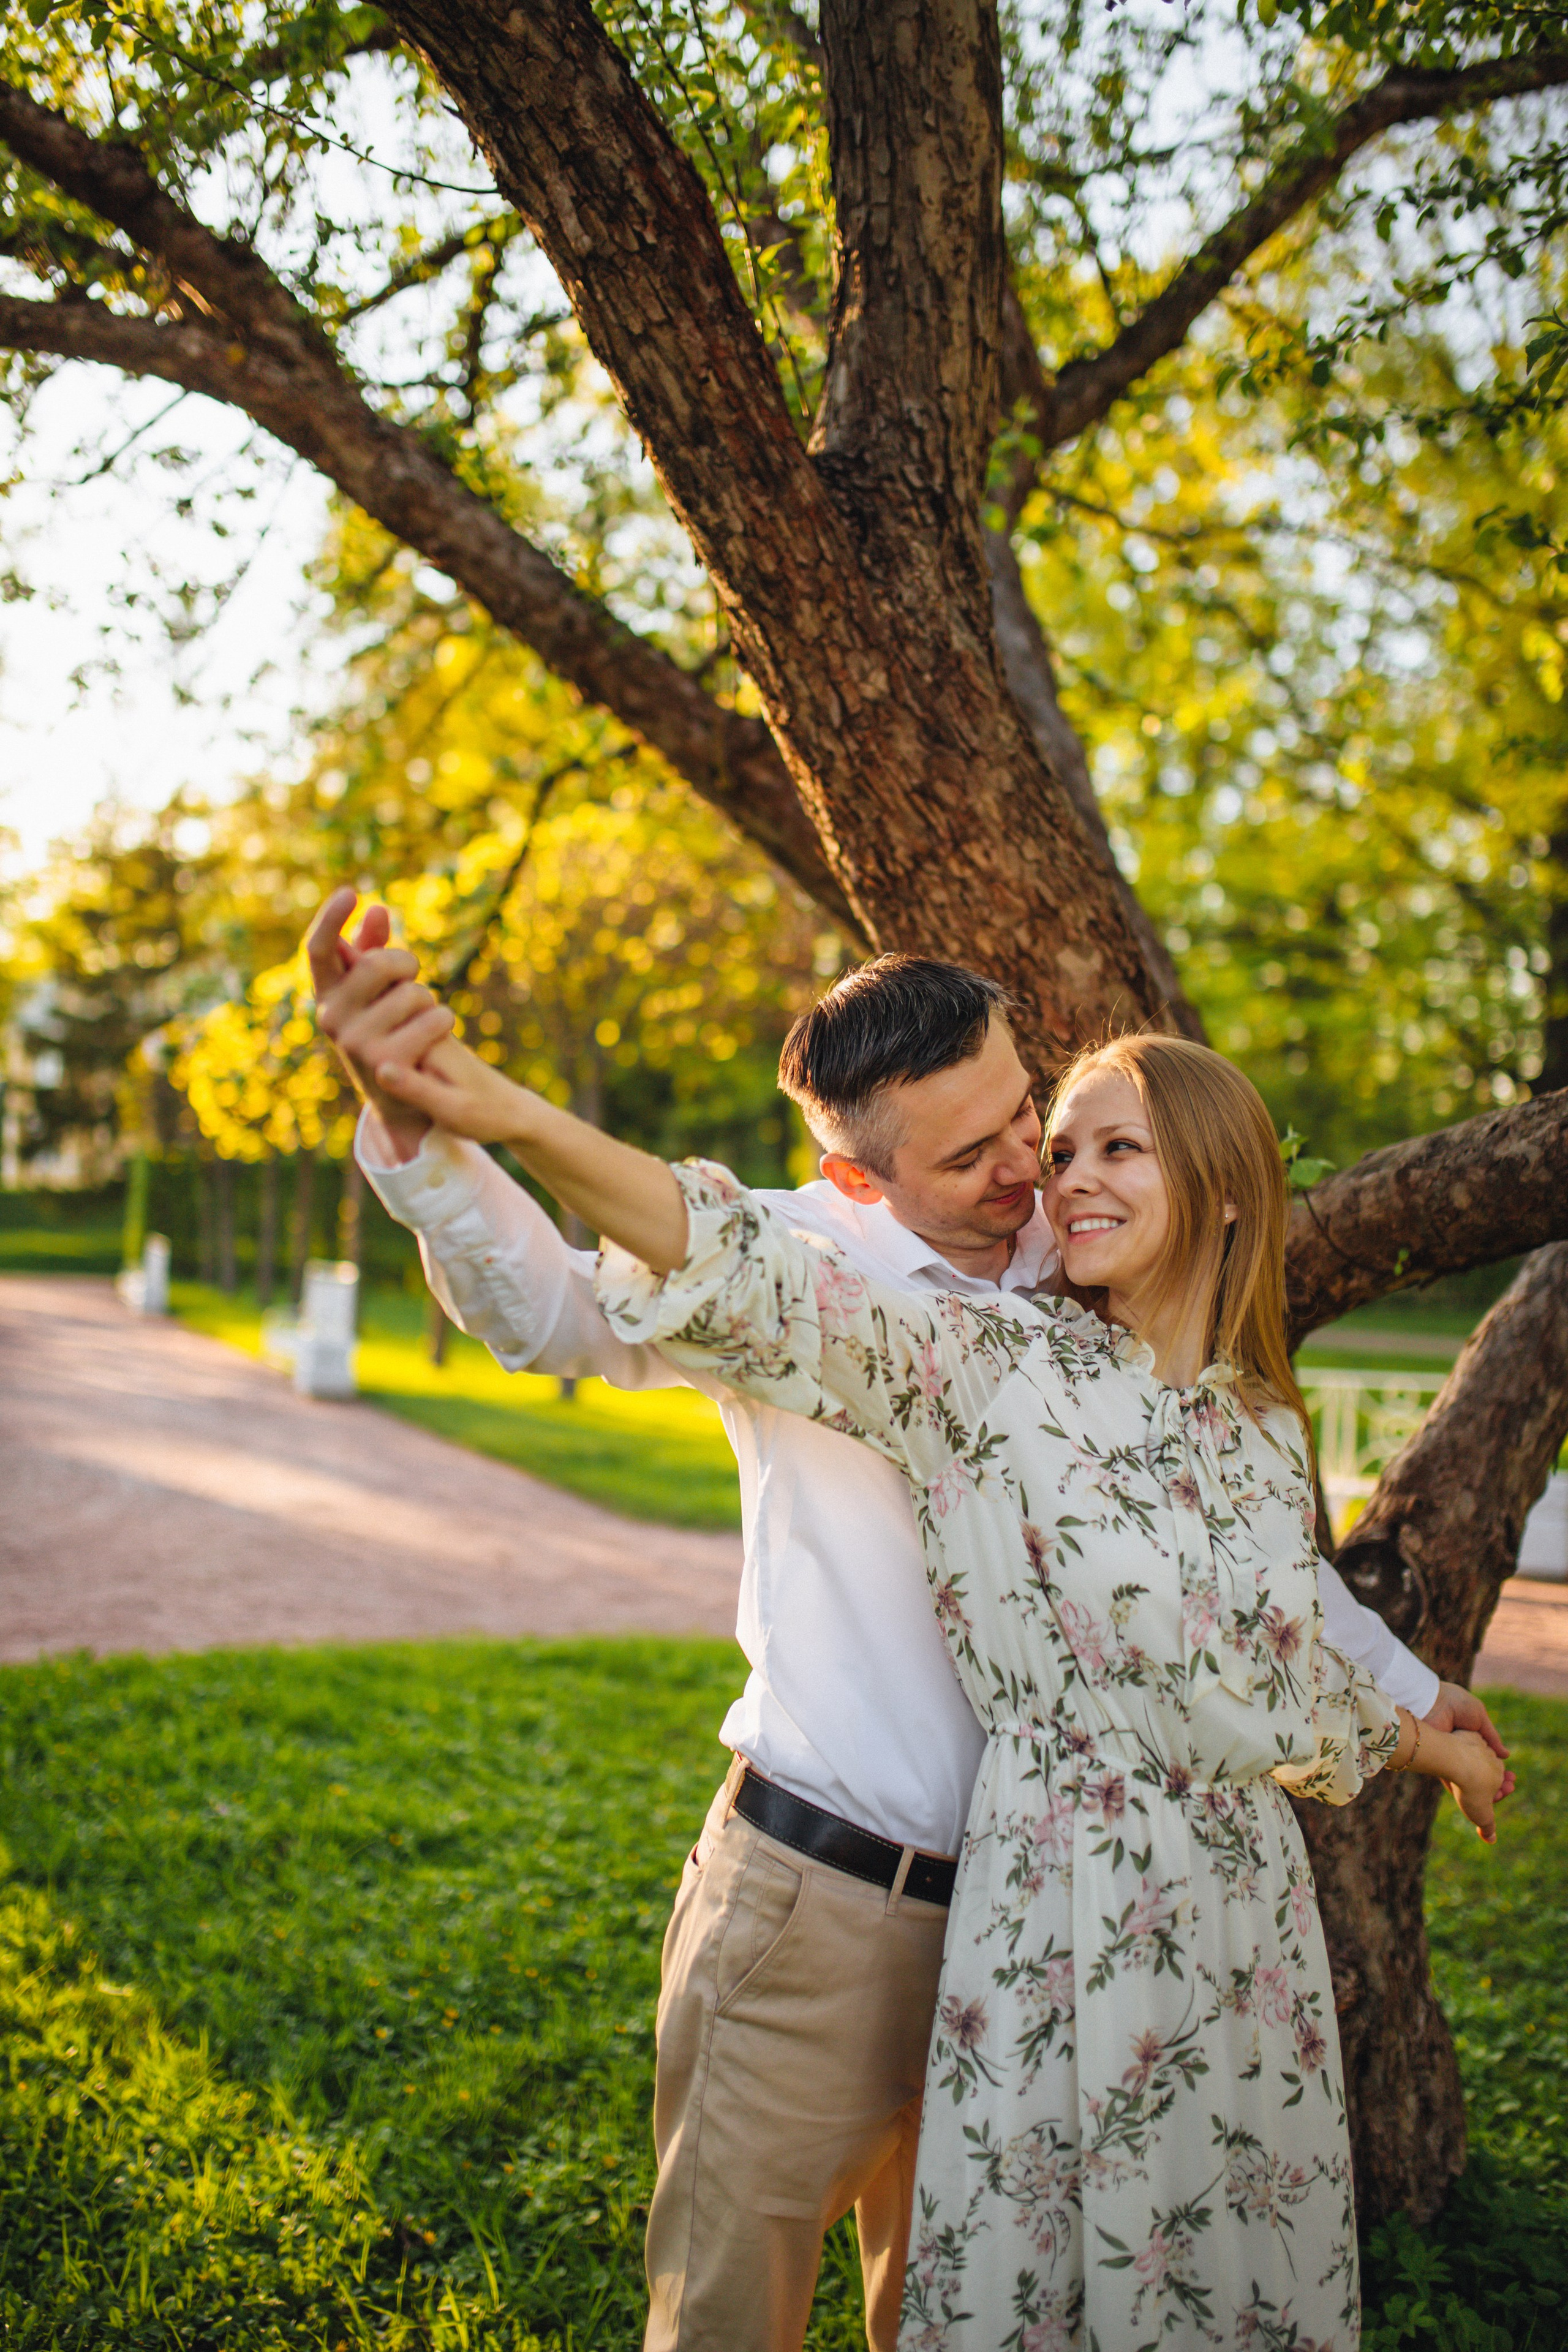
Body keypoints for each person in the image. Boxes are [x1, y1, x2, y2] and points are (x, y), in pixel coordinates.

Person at [307, 892, 1506, 2352]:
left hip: (1058, 1929)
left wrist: (1405, 1685)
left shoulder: (1098, 1284)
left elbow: (1223, 1552)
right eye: (977, 1153)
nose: (1028, 1171)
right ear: (857, 1178)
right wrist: (440, 1132)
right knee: (726, 2316)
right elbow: (550, 1314)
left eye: (1032, 1119)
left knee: (966, 2312)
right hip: (820, 1902)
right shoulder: (813, 1273)